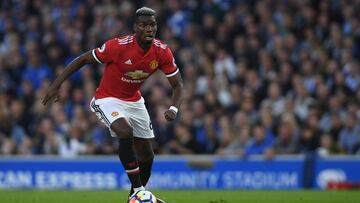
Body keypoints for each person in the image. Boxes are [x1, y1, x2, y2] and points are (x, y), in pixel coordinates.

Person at [42, 7, 183, 203]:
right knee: (124, 131)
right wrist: (56, 85)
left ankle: (133, 198)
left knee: (147, 155)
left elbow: (178, 84)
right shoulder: (118, 46)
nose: (149, 29)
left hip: (134, 101)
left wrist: (174, 107)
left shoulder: (162, 51)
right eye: (144, 25)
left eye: (152, 25)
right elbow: (83, 59)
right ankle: (140, 191)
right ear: (136, 27)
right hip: (106, 98)